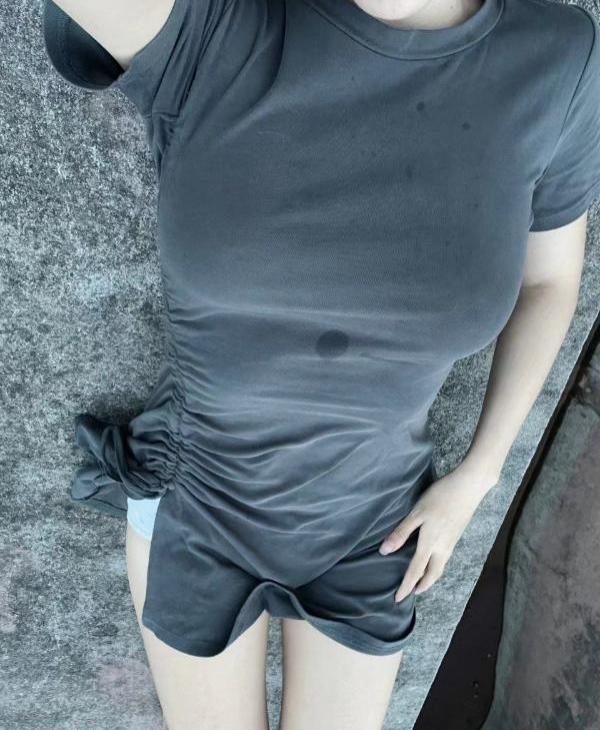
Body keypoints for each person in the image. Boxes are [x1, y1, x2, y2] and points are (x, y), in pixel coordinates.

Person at [42, 0, 600, 728]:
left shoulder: (558, 58)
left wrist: (481, 474)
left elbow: (550, 281)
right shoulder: (218, 25)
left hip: (378, 516)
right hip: (203, 494)